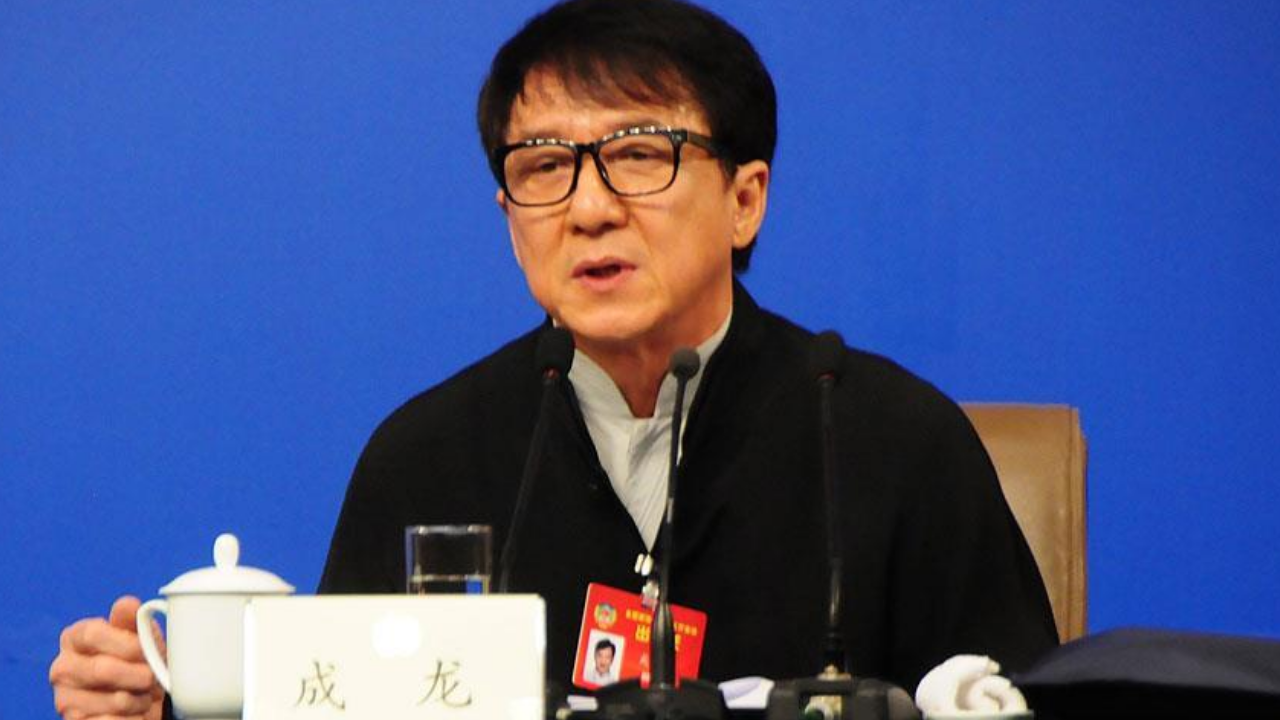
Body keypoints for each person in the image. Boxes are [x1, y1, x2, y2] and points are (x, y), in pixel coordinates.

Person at [49, 1, 1059, 717]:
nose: (588, 207)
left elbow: (1014, 700)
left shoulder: (884, 440)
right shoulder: (427, 455)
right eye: (543, 167)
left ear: (745, 198)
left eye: (638, 154)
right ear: (507, 212)